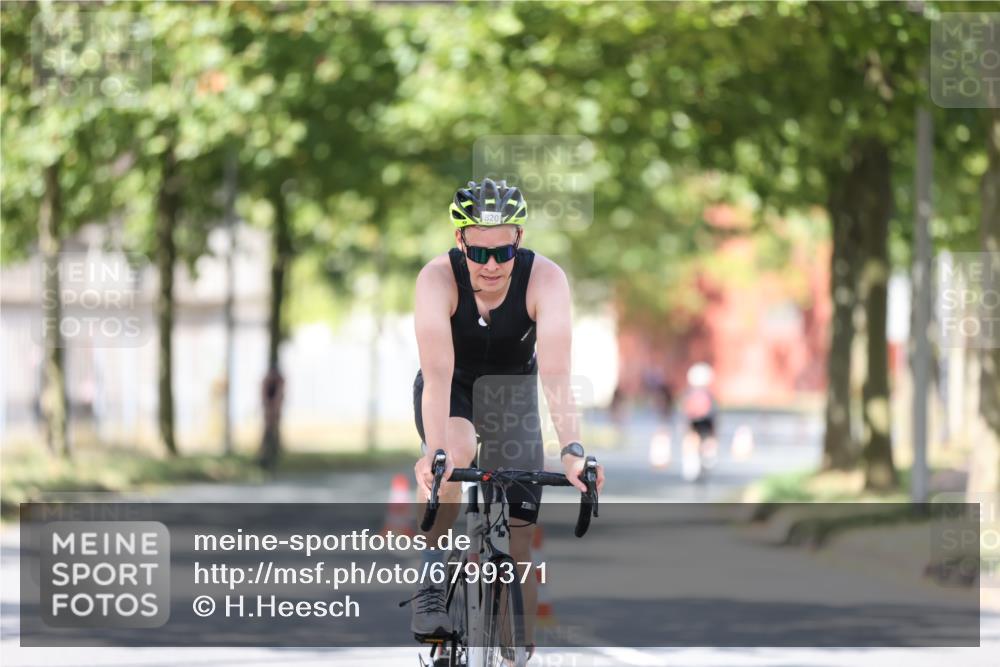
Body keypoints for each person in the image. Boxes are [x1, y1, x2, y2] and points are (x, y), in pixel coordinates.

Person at [408, 178, 605, 648]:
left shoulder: (546, 279)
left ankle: (511, 639)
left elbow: (556, 375)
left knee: (519, 528)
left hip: (512, 393)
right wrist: (435, 455)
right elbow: (436, 376)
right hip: (451, 391)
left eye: (503, 252)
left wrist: (574, 451)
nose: (492, 266)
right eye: (479, 254)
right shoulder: (436, 279)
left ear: (519, 238)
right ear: (461, 242)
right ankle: (432, 580)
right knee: (452, 457)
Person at [680, 362, 718, 480]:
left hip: (692, 421)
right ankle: (706, 457)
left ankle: (692, 463)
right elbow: (714, 411)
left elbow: (684, 410)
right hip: (706, 421)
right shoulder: (708, 393)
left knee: (692, 441)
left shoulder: (689, 392)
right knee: (707, 440)